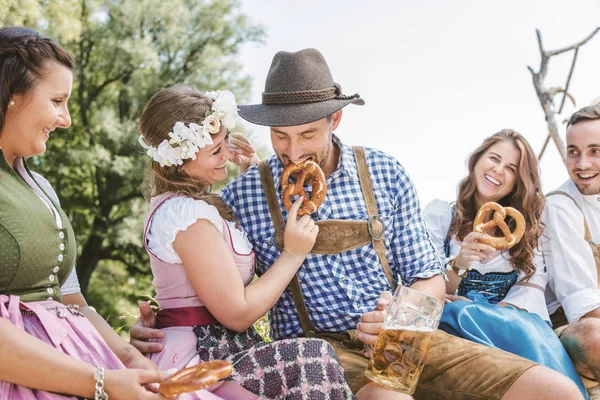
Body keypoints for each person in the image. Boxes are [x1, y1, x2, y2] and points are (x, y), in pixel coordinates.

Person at [131, 48, 582, 399]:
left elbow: (427, 279)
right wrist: (159, 323)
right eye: (280, 137)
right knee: (392, 397)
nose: (293, 152)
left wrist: (399, 324)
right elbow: (204, 268)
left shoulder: (384, 172)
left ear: (336, 118)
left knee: (556, 392)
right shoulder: (242, 195)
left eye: (308, 133)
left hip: (403, 337)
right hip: (320, 354)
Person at [137, 84, 354, 399]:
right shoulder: (185, 216)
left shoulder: (197, 206)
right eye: (215, 151)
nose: (226, 151)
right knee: (313, 359)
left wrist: (251, 172)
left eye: (225, 139)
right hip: (199, 354)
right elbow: (237, 314)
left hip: (220, 346)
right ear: (179, 161)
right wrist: (293, 254)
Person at [0, 27, 166, 399]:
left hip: (80, 362)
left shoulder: (42, 187)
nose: (67, 119)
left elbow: (71, 300)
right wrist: (101, 382)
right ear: (12, 94)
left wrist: (129, 357)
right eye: (57, 100)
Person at [423, 129, 587, 397]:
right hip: (454, 319)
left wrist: (492, 312)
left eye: (511, 168)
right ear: (476, 161)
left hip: (511, 320)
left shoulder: (530, 226)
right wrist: (462, 260)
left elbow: (532, 286)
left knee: (521, 328)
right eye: (493, 158)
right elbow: (428, 285)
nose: (498, 170)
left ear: (518, 181)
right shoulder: (442, 215)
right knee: (458, 313)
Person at [543, 104, 600, 393]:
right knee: (595, 335)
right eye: (573, 152)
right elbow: (585, 308)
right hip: (571, 329)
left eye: (595, 151)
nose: (582, 164)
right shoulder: (560, 206)